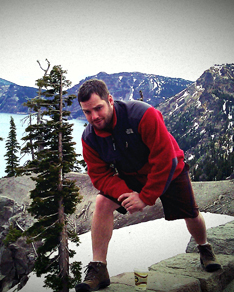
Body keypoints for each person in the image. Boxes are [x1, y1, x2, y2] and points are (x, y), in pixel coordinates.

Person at [74, 79, 221, 292]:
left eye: (98, 108)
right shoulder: (90, 138)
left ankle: (204, 247)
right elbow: (99, 175)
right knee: (102, 202)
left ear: (110, 100)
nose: (94, 117)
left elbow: (165, 159)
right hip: (132, 174)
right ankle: (99, 268)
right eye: (87, 112)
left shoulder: (142, 115)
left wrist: (145, 197)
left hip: (170, 170)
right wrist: (126, 193)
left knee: (190, 212)